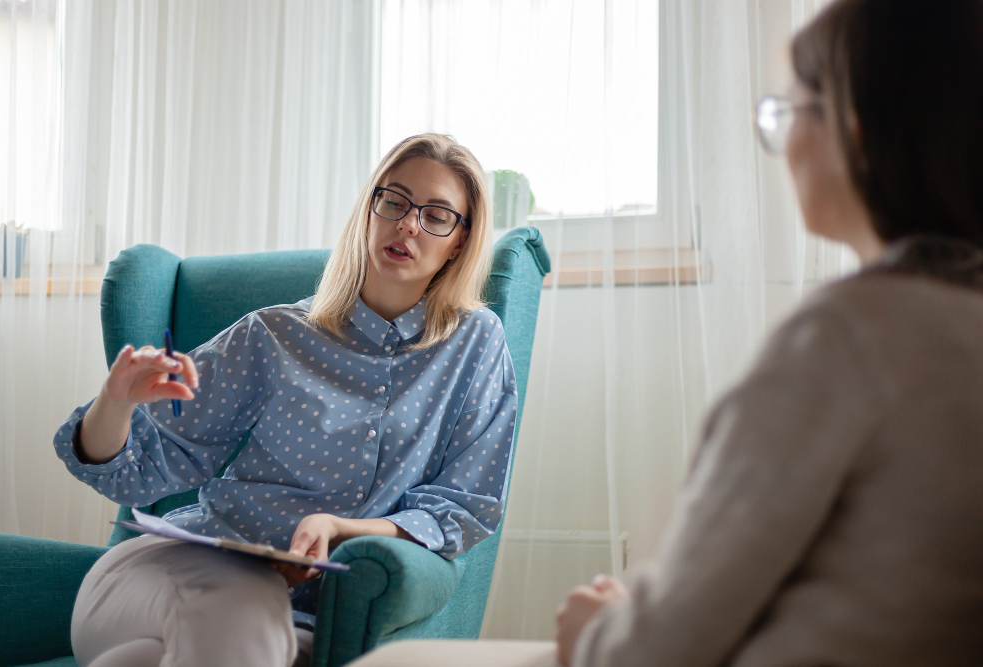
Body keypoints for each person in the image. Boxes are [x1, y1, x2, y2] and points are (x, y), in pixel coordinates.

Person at [350, 1, 983, 665]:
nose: (781, 146)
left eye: (784, 115)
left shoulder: (843, 338)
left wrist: (601, 628)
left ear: (852, 130)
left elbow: (671, 636)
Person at [53, 133, 518, 667]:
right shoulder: (272, 335)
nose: (408, 224)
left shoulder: (475, 343)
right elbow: (138, 471)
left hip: (298, 621)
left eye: (437, 215)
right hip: (164, 572)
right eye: (395, 201)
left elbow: (465, 505)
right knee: (241, 607)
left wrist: (339, 528)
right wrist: (115, 402)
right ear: (371, 209)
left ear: (459, 240)